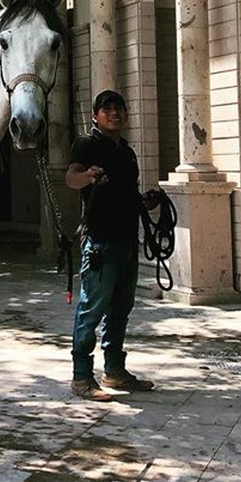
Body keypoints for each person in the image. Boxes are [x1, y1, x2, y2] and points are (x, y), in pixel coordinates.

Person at [66, 89, 157, 401]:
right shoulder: (87, 144)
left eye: (119, 107)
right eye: (107, 108)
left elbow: (125, 192)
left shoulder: (126, 151)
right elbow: (71, 178)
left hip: (127, 239)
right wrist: (88, 176)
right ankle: (81, 377)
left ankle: (115, 371)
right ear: (95, 115)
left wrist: (144, 201)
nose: (114, 113)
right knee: (92, 309)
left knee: (121, 309)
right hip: (101, 242)